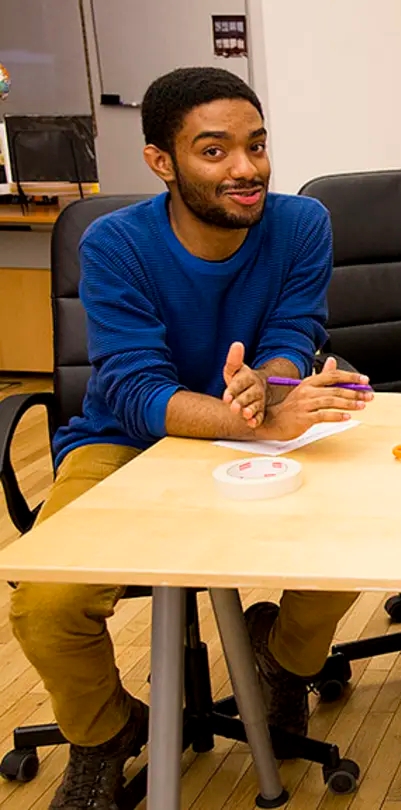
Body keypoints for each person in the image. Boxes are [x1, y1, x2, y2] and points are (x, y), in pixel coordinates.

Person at [9, 66, 370, 809]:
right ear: (160, 161)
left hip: (254, 428)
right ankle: (104, 731)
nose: (247, 168)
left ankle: (283, 661)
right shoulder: (114, 245)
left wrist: (265, 385)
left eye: (257, 145)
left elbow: (289, 334)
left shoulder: (301, 223)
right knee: (44, 604)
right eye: (215, 151)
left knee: (358, 542)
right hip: (124, 440)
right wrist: (259, 412)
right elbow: (137, 392)